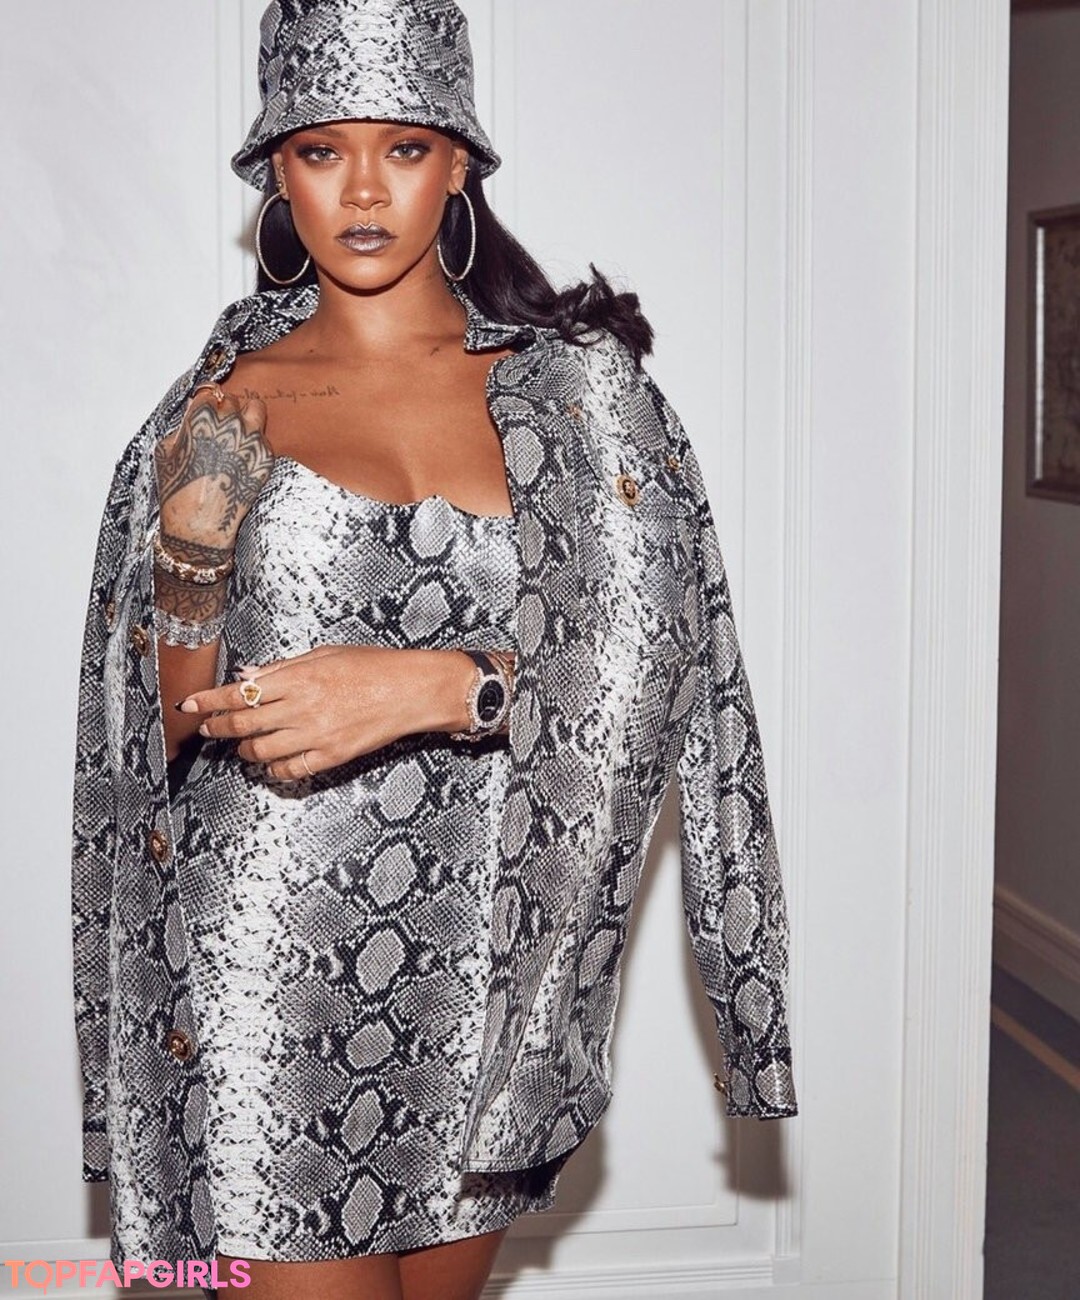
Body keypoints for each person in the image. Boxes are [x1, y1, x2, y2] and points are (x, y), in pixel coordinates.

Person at [71, 2, 799, 1298]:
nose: (362, 190)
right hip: (268, 950)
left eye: (403, 149)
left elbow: (660, 672)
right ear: (275, 173)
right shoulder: (226, 406)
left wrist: (442, 687)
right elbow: (162, 735)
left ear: (458, 164)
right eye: (320, 151)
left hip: (492, 963)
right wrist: (191, 564)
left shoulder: (581, 395)